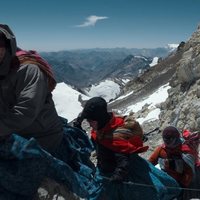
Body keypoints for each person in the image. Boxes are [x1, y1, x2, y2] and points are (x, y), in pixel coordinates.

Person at [78, 97, 181, 200]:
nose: (89, 124)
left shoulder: (115, 137)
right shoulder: (101, 128)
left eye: (90, 121)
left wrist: (118, 175)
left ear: (99, 118)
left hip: (123, 171)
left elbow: (123, 160)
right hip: (106, 168)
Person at [0, 24, 63, 153]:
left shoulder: (28, 69)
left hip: (41, 135)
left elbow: (25, 112)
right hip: (11, 131)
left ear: (7, 45)